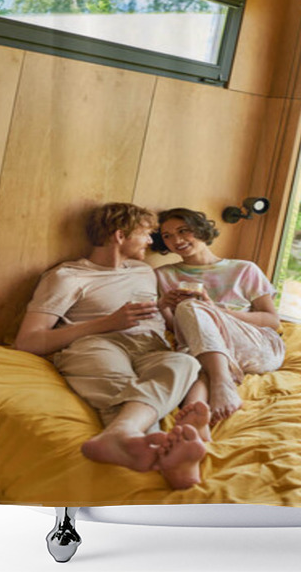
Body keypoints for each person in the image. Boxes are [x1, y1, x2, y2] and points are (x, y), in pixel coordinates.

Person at [14, 202, 211, 489]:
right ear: (120, 236)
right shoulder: (68, 277)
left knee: (185, 363)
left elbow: (156, 318)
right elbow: (27, 341)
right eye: (146, 234)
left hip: (151, 348)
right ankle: (161, 458)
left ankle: (123, 437)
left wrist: (169, 308)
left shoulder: (144, 271)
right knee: (120, 381)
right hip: (95, 342)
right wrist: (107, 323)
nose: (151, 241)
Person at [153, 208, 285, 426]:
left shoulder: (244, 269)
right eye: (167, 235)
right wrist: (164, 306)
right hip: (205, 347)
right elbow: (179, 328)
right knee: (191, 352)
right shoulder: (163, 275)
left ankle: (222, 382)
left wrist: (214, 310)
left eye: (183, 230)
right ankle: (192, 420)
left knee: (191, 311)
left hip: (257, 345)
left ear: (200, 230)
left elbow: (273, 321)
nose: (176, 239)